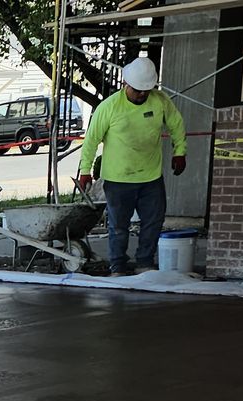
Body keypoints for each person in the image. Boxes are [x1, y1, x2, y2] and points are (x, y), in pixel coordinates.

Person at [79, 57, 187, 276]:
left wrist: (180, 151)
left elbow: (176, 123)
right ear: (126, 84)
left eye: (147, 90)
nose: (142, 95)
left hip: (151, 177)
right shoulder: (109, 107)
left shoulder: (160, 101)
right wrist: (85, 171)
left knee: (153, 222)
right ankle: (117, 266)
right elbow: (91, 140)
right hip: (118, 179)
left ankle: (144, 263)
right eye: (138, 90)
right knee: (118, 227)